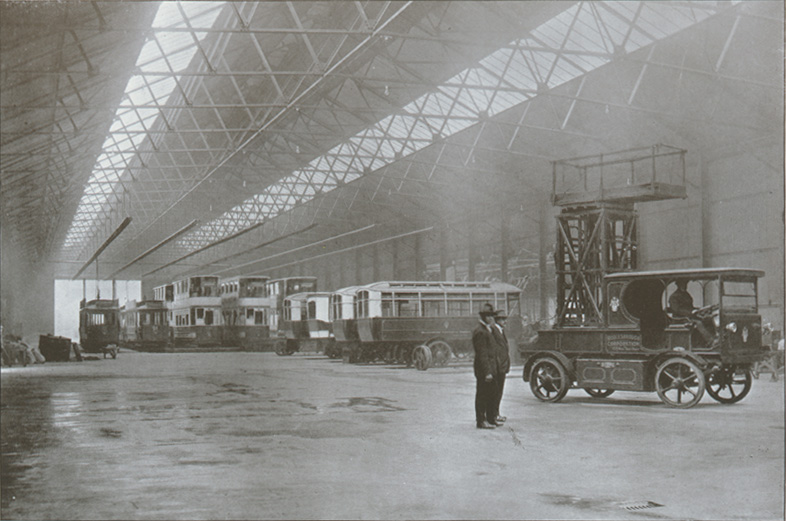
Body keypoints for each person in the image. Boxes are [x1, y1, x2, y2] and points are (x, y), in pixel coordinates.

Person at [472, 303, 500, 429]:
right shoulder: (480, 332)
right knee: (482, 395)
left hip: (490, 368)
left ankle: (490, 419)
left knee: (491, 394)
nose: (491, 318)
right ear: (483, 317)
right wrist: (487, 372)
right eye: (488, 316)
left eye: (492, 316)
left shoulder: (487, 329)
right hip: (484, 370)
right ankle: (481, 421)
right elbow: (482, 354)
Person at [668, 279, 713, 345]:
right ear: (679, 285)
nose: (685, 286)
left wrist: (699, 310)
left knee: (708, 319)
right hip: (681, 319)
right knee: (699, 323)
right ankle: (710, 341)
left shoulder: (686, 294)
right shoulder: (673, 297)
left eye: (686, 284)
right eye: (683, 284)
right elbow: (677, 310)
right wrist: (691, 312)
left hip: (689, 317)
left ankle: (704, 342)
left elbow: (690, 307)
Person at [489, 307, 510, 426]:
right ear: (497, 320)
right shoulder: (493, 330)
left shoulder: (500, 330)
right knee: (495, 392)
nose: (505, 322)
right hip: (497, 367)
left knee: (499, 392)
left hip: (501, 366)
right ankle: (492, 416)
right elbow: (493, 350)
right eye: (503, 319)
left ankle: (496, 414)